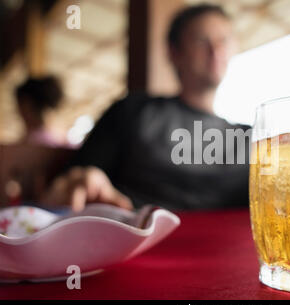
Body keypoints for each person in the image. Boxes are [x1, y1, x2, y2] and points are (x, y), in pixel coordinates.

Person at [40, 4, 251, 212]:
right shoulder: (134, 112)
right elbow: (67, 186)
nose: (215, 50)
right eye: (201, 40)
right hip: (140, 240)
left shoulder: (251, 138)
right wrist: (79, 182)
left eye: (224, 40)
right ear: (174, 52)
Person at [15, 76, 69, 148]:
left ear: (27, 105)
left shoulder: (32, 143)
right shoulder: (54, 140)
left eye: (20, 104)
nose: (18, 111)